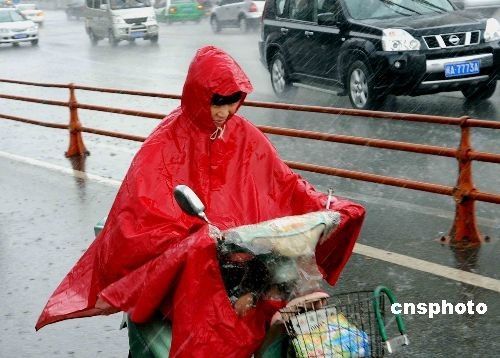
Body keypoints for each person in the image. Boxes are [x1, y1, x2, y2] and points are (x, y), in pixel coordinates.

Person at [36, 46, 365, 357]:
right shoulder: (164, 145)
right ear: (198, 96)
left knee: (283, 279)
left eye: (232, 102)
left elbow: (285, 183)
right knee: (210, 282)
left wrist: (327, 207)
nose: (225, 112)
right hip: (195, 257)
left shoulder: (243, 134)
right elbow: (141, 219)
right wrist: (195, 240)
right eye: (216, 102)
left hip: (241, 251)